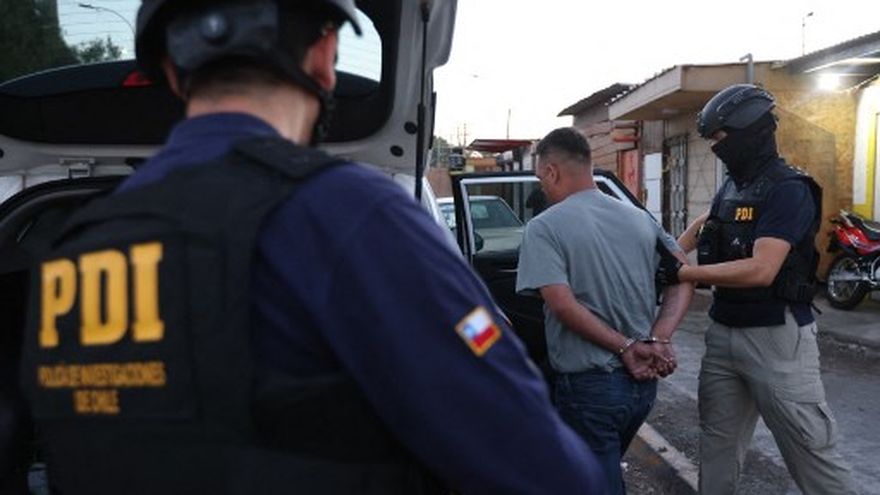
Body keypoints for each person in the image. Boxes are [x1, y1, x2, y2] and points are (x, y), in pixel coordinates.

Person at [17, 1, 608, 494]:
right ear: (325, 55)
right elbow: (543, 469)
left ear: (172, 73)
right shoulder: (348, 215)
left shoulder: (71, 252)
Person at [656, 84, 858, 495]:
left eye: (720, 138)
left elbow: (762, 270)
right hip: (724, 332)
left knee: (810, 452)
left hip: (776, 336)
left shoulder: (788, 189)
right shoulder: (732, 186)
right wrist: (669, 252)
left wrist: (683, 274)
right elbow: (705, 224)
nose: (716, 147)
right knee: (716, 445)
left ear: (749, 132)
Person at [516, 127, 693, 495]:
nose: (542, 188)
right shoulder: (639, 218)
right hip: (642, 387)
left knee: (592, 483)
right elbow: (683, 275)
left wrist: (626, 347)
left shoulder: (543, 227)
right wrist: (660, 338)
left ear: (551, 171)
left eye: (540, 179)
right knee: (603, 473)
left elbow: (561, 303)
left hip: (589, 387)